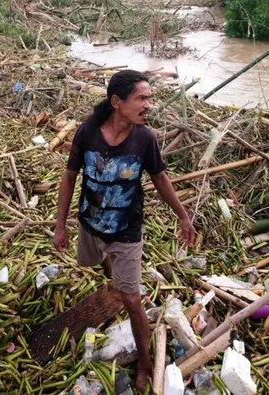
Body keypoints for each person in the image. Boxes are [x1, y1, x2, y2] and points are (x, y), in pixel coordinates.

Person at [53, 70, 195, 391]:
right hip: (90, 222)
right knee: (92, 264)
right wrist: (60, 225)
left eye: (149, 97)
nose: (149, 105)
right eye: (141, 98)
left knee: (132, 299)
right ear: (117, 102)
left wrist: (184, 217)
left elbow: (160, 180)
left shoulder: (145, 139)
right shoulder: (86, 134)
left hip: (127, 229)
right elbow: (69, 176)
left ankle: (144, 362)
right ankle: (111, 272)